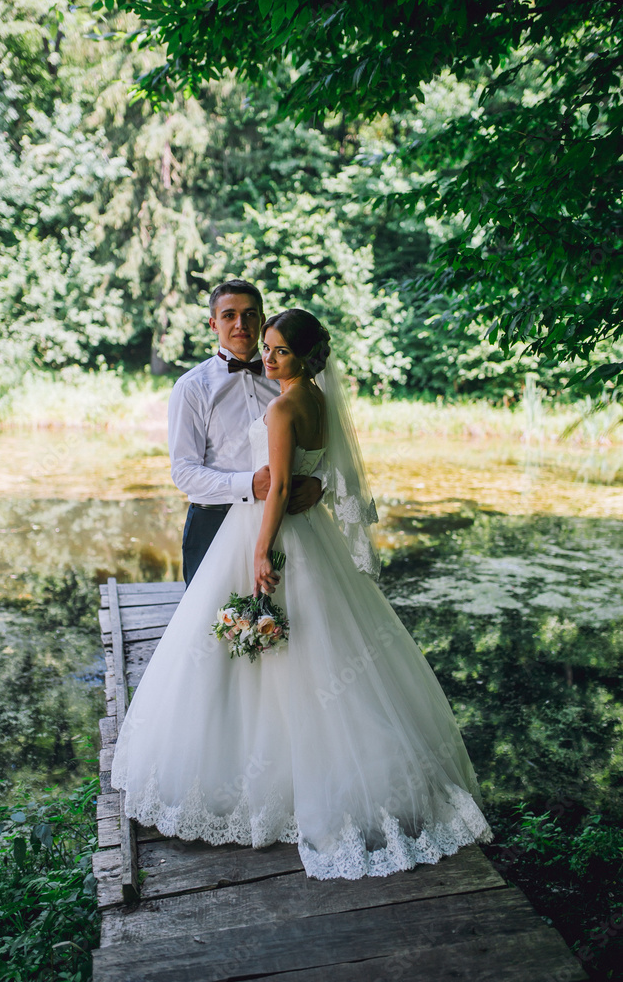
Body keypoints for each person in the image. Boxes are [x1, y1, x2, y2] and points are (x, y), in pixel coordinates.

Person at [112, 309, 492, 880]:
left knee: (270, 645)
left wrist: (262, 549)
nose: (268, 357)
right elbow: (311, 471)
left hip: (272, 530)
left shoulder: (283, 404)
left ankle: (281, 783)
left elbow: (284, 485)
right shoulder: (317, 399)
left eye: (279, 350)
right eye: (266, 347)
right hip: (314, 537)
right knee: (314, 646)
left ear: (303, 356)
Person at [168, 279, 321, 585]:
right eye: (229, 315)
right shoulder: (192, 387)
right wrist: (249, 484)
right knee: (211, 625)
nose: (241, 324)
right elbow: (183, 472)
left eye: (250, 314)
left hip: (287, 523)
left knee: (290, 622)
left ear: (263, 321)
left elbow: (318, 445)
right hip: (214, 522)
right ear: (214, 323)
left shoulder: (290, 380)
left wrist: (321, 484)